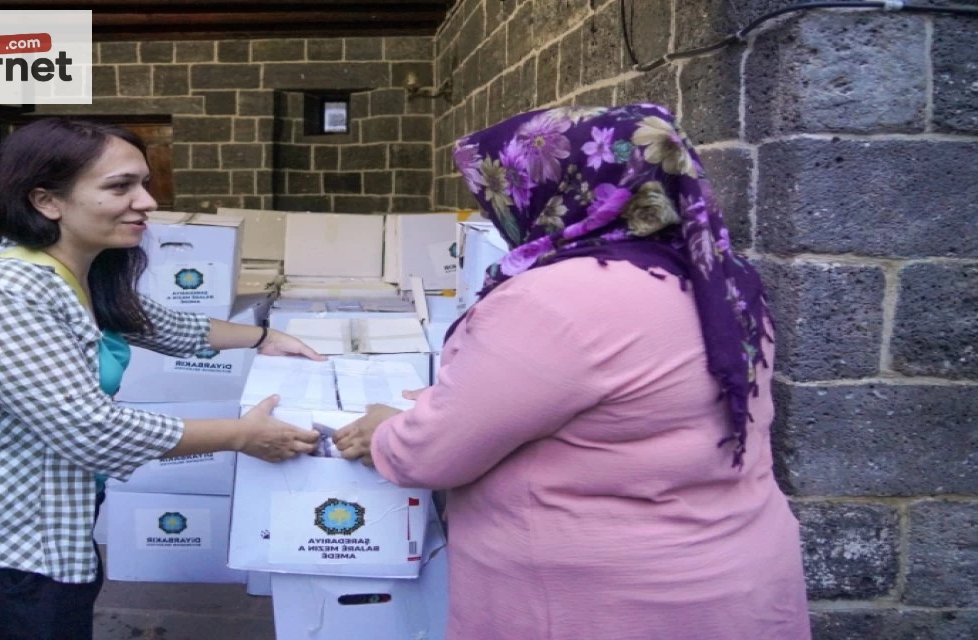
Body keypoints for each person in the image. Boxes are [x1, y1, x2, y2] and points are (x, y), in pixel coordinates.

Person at [335, 104, 810, 639]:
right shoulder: (717, 277)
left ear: (556, 189)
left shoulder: (554, 298)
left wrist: (386, 430)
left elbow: (434, 451)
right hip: (731, 582)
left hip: (605, 605)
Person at [0, 118, 321, 639]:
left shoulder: (80, 274)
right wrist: (241, 436)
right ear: (47, 201)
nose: (146, 202)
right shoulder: (4, 292)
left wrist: (263, 338)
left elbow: (166, 324)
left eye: (145, 184)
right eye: (120, 187)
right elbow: (91, 430)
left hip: (45, 542)